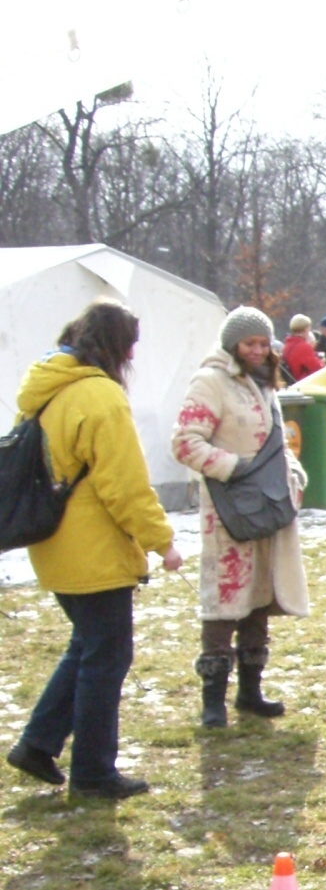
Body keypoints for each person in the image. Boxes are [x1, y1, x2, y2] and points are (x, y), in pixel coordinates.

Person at [5, 300, 182, 799]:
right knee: (106, 658)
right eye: (131, 346)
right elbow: (124, 486)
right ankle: (93, 772)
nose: (132, 357)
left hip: (52, 541)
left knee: (88, 646)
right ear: (116, 345)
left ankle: (37, 744)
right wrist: (161, 541)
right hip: (94, 549)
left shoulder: (44, 388)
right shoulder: (100, 396)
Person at [171, 307, 311, 729]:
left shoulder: (264, 382)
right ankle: (212, 699)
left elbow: (276, 444)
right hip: (229, 510)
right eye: (249, 343)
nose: (257, 350)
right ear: (232, 344)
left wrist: (293, 474)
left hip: (269, 505)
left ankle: (250, 692)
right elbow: (185, 443)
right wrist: (234, 468)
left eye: (263, 343)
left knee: (260, 596)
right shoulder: (210, 382)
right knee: (224, 600)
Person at [281, 314, 325, 384]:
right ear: (306, 329)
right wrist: (322, 361)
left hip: (292, 382)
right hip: (304, 384)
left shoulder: (287, 345)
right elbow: (318, 369)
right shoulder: (304, 347)